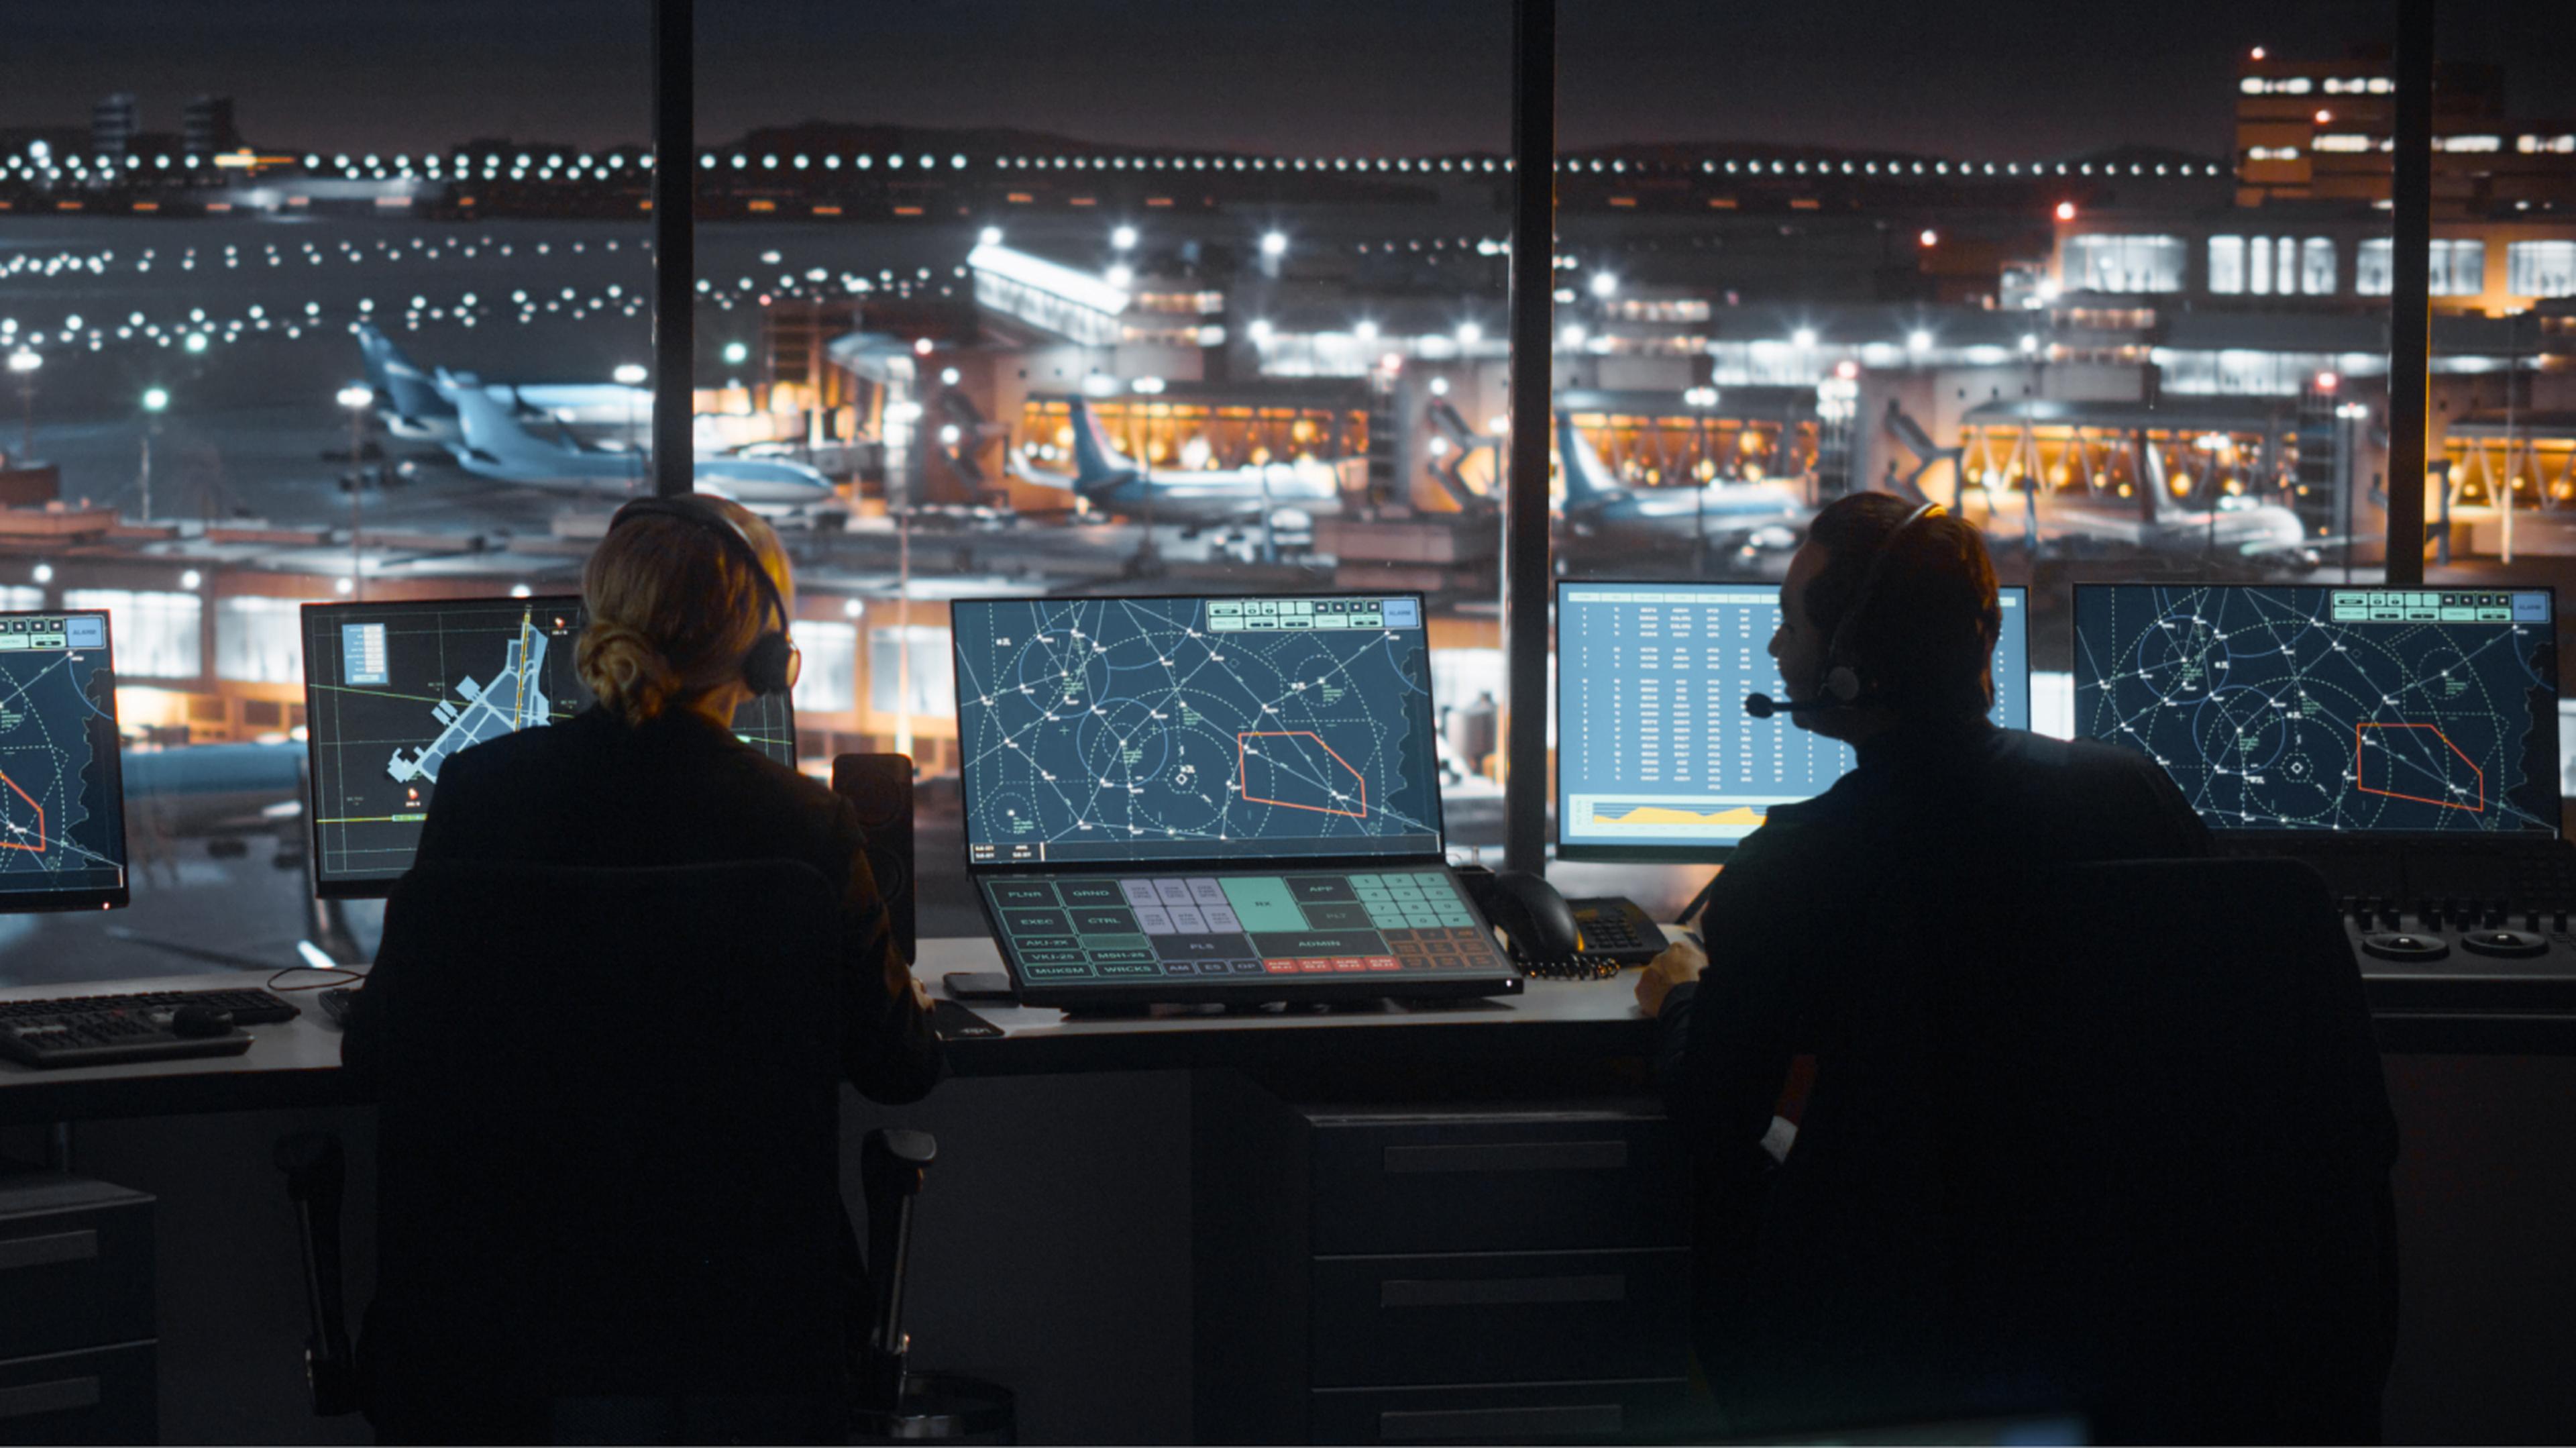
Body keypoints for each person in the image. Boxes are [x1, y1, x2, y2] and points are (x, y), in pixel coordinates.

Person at [342, 494, 940, 1436]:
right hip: (743, 1325)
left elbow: (375, 1054)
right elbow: (901, 1066)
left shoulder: (477, 792)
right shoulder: (805, 824)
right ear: (766, 659)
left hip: (495, 1321)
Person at [1631, 492, 2212, 1430]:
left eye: (1791, 624)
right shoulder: (2131, 797)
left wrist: (1684, 992)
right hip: (2120, 1311)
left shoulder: (1800, 863)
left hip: (1884, 1336)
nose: (1776, 649)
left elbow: (1714, 1111)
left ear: (1851, 665)